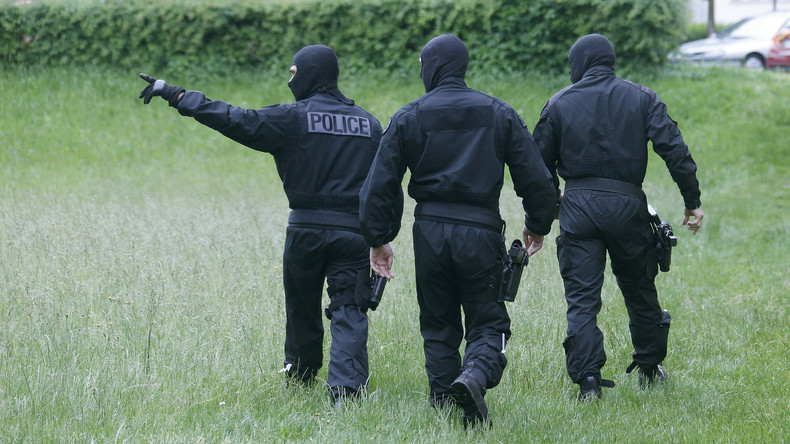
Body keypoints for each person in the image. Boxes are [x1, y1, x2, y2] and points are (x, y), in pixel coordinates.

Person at [138, 45, 383, 406]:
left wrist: (177, 95)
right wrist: (380, 236)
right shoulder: (369, 124)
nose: (290, 80)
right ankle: (346, 390)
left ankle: (300, 374)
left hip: (305, 229)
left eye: (293, 72)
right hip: (353, 233)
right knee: (349, 306)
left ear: (311, 74)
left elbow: (234, 118)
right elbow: (383, 186)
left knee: (302, 304)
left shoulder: (292, 118)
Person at [359, 33, 556, 427]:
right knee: (488, 321)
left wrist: (378, 239)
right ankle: (474, 377)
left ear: (431, 67)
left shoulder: (409, 116)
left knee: (438, 321)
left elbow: (379, 184)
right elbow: (537, 179)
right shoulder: (498, 113)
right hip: (480, 231)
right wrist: (537, 224)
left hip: (429, 232)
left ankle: (444, 400)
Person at [532, 34, 705, 401]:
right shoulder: (642, 98)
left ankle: (588, 380)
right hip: (629, 206)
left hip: (578, 207)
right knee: (640, 288)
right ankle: (648, 366)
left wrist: (544, 216)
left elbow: (537, 167)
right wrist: (692, 200)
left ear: (578, 63)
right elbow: (674, 149)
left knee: (582, 298)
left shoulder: (559, 103)